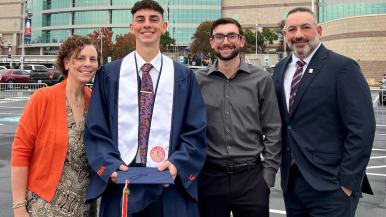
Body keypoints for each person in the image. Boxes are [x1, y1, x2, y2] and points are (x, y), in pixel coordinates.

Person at [83, 1, 207, 217]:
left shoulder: (183, 77)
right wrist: (109, 165)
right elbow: (96, 128)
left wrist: (178, 162)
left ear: (164, 26)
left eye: (153, 19)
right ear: (131, 27)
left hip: (169, 184)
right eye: (140, 20)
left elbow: (195, 130)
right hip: (121, 181)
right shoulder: (109, 75)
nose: (147, 25)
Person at [272, 7, 375, 217]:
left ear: (319, 30)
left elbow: (362, 129)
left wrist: (347, 183)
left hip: (332, 187)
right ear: (285, 35)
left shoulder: (343, 68)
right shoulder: (280, 69)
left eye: (305, 27)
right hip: (292, 185)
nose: (298, 35)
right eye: (292, 29)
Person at [195, 17, 282, 217]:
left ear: (241, 41)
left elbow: (273, 130)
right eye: (219, 36)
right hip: (210, 178)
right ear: (212, 42)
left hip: (252, 179)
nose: (225, 41)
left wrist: (267, 177)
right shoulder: (197, 80)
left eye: (231, 36)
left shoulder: (262, 80)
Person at [11, 35, 101, 217]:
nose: (88, 63)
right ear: (67, 63)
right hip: (46, 204)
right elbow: (21, 152)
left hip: (84, 206)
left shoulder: (94, 100)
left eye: (93, 59)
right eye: (81, 58)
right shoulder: (43, 98)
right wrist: (19, 206)